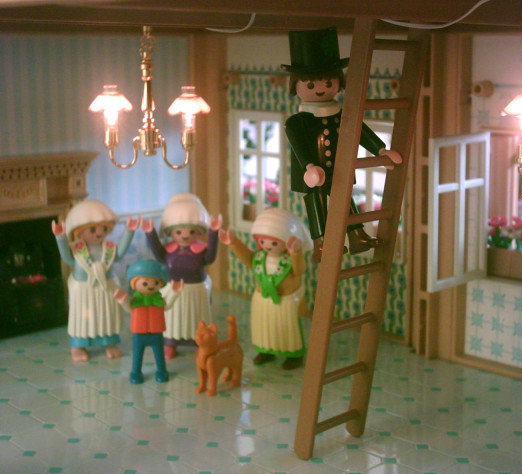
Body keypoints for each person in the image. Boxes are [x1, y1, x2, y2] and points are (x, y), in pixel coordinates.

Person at [281, 27, 402, 262]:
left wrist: (381, 150)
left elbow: (360, 132)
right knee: (316, 202)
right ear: (296, 85)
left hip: (339, 167)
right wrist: (308, 166)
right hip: (313, 174)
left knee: (345, 199)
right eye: (311, 84)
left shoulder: (341, 115)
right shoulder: (297, 121)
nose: (320, 89)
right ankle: (321, 244)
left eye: (328, 82)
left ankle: (357, 236)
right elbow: (298, 144)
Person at [219, 208, 312, 370]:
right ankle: (266, 350)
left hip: (285, 301)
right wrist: (234, 243)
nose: (267, 246)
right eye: (263, 241)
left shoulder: (289, 259)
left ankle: (293, 354)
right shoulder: (260, 257)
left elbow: (299, 271)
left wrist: (296, 253)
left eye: (274, 243)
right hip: (263, 299)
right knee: (264, 328)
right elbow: (248, 258)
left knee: (287, 329)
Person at [51, 199, 139, 362]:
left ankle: (109, 343)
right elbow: (68, 260)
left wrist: (129, 231)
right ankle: (78, 345)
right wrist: (61, 238)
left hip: (105, 288)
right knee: (83, 319)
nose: (99, 233)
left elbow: (119, 255)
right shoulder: (76, 248)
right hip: (83, 290)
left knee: (106, 317)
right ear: (79, 231)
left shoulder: (109, 247)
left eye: (104, 229)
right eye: (92, 229)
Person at [142, 193, 221, 359]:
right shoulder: (168, 251)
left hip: (196, 290)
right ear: (171, 232)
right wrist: (150, 233)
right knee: (173, 319)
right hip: (174, 290)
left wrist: (214, 233)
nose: (185, 235)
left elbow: (211, 258)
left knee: (196, 318)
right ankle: (170, 343)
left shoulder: (201, 251)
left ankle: (198, 342)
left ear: (198, 232)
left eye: (191, 231)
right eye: (179, 231)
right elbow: (158, 254)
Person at [113, 259, 183, 384]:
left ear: (161, 283)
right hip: (139, 333)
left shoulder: (159, 300)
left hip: (156, 332)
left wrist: (174, 292)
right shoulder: (135, 301)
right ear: (134, 283)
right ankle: (136, 372)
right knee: (137, 354)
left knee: (159, 354)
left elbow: (167, 304)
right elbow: (128, 307)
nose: (151, 286)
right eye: (145, 283)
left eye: (156, 282)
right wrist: (122, 300)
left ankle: (162, 371)